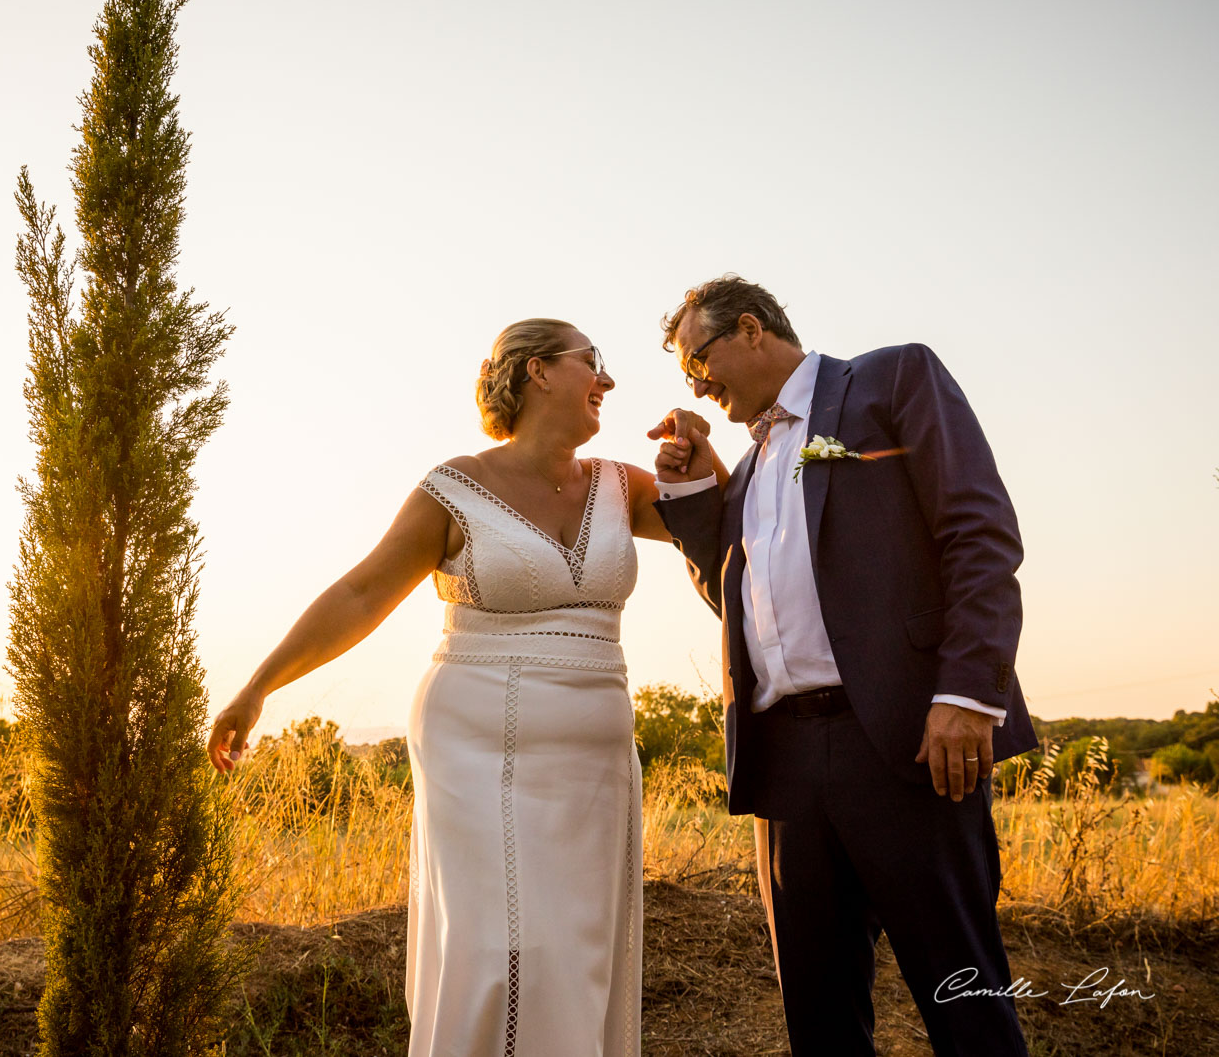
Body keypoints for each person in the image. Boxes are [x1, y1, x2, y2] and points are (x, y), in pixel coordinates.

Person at [207, 318, 725, 1057]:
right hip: (478, 745)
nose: (606, 381)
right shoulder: (456, 486)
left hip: (595, 767)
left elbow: (729, 530)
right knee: (499, 954)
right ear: (538, 372)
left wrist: (702, 466)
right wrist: (259, 687)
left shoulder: (622, 485)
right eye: (592, 362)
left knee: (577, 954)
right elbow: (360, 593)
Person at [647, 275, 1037, 1056]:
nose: (696, 383)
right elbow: (744, 606)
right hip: (785, 764)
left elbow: (979, 532)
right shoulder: (751, 469)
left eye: (699, 360)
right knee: (819, 1020)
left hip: (905, 740)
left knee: (967, 1002)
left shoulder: (892, 380)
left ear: (752, 329)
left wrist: (966, 692)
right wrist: (694, 487)